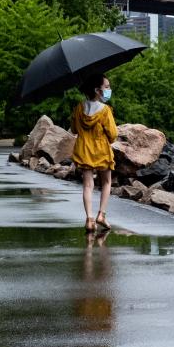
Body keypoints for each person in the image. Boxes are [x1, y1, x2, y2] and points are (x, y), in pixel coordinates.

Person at [71, 74, 118, 232]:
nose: (109, 89)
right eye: (107, 87)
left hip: (84, 150)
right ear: (97, 90)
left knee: (87, 186)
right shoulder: (105, 110)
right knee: (106, 182)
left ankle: (89, 219)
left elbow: (74, 129)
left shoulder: (79, 108)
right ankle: (101, 215)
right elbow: (113, 135)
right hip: (101, 151)